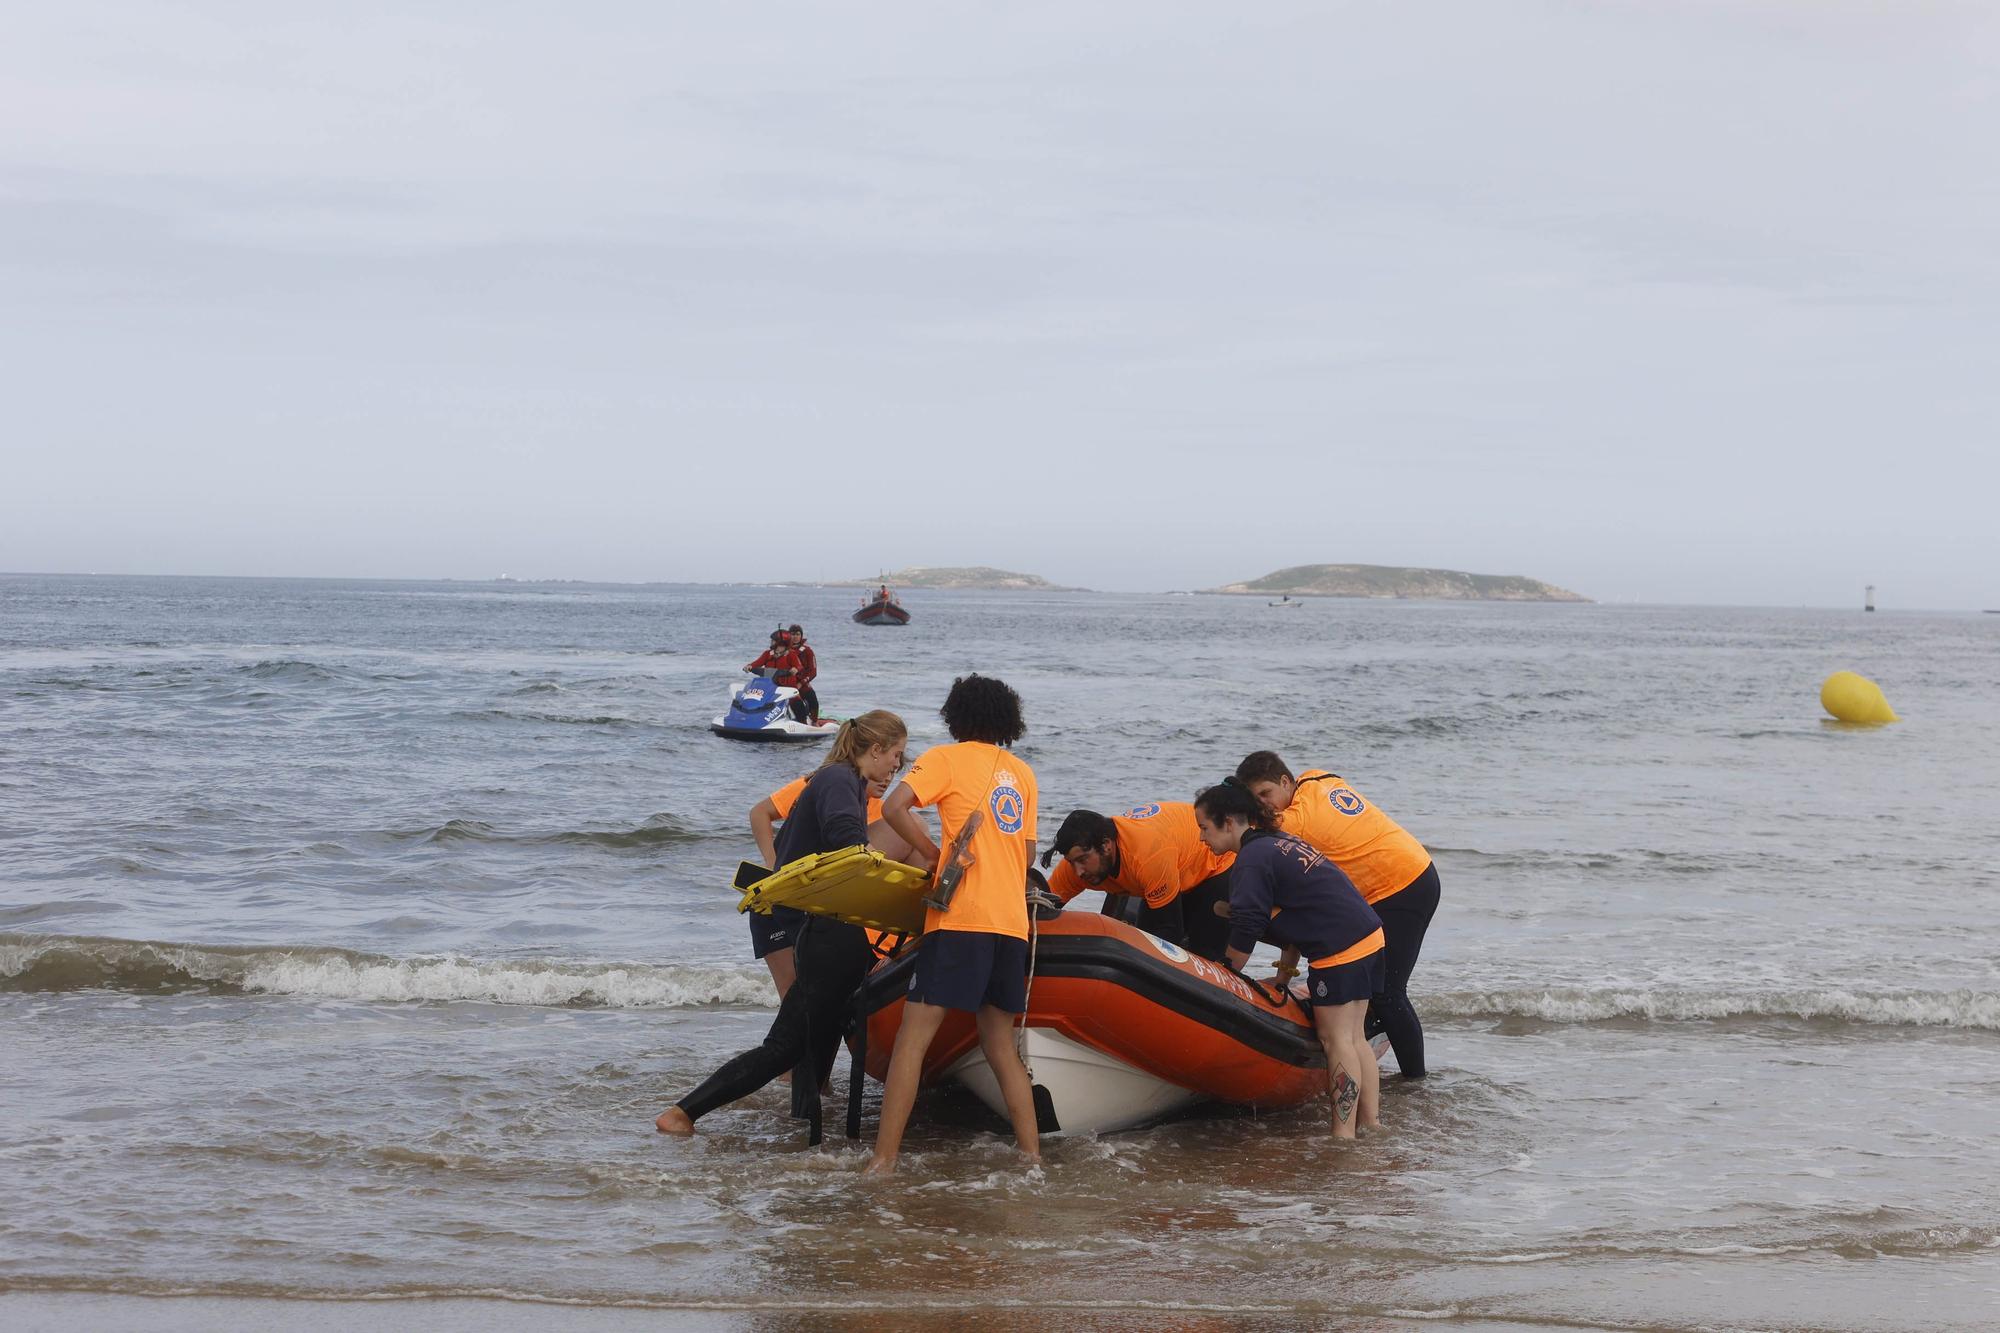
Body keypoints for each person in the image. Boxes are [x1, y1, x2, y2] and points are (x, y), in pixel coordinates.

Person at [657, 711, 909, 1137]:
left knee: (817, 1037)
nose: (896, 768)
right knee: (785, 1046)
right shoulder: (837, 780)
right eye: (896, 757)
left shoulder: (840, 782)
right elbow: (847, 839)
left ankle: (806, 1130)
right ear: (875, 749)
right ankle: (683, 1114)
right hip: (825, 932)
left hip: (832, 929)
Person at [865, 675, 1041, 1175]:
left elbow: (896, 806)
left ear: (955, 716)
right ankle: (1031, 1159)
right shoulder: (1022, 773)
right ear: (1007, 719)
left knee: (912, 1040)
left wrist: (930, 852)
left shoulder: (944, 758)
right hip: (1010, 924)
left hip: (960, 917)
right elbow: (1026, 853)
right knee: (1001, 1045)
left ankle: (883, 1162)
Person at [1193, 778, 1384, 1139]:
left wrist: (1225, 973)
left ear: (1229, 823)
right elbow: (1290, 917)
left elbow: (1249, 925)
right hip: (1369, 935)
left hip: (1339, 948)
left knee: (1336, 1040)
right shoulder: (1278, 842)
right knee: (1355, 1037)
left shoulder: (1251, 859)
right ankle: (1371, 1124)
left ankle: (1343, 1136)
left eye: (1204, 828)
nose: (1202, 838)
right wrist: (1283, 975)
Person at [1234, 751, 1440, 1079]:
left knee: (1388, 992)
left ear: (1286, 782)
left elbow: (1247, 827)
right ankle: (1371, 1041)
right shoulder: (1317, 778)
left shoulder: (1296, 822)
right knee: (1379, 986)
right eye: (1255, 798)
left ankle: (1415, 1082)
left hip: (1398, 888)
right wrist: (1285, 972)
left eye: (1265, 795)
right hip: (1415, 868)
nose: (1264, 805)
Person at [747, 771, 924, 1000]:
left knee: (820, 995)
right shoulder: (827, 785)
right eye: (884, 770)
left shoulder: (882, 814)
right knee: (792, 995)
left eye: (894, 770)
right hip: (777, 902)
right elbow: (759, 812)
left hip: (821, 910)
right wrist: (774, 865)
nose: (887, 778)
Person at [1039, 802, 1234, 960]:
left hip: (1215, 862)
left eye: (1082, 860)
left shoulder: (1146, 856)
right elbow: (1038, 912)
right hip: (1168, 869)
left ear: (1106, 845)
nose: (1078, 872)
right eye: (1072, 863)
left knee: (1202, 953)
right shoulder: (1075, 867)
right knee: (1146, 941)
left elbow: (1169, 930)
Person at [785, 624, 820, 724]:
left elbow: (813, 672)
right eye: (792, 634)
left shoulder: (807, 651)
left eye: (797, 634)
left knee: (812, 697)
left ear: (801, 636)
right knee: (796, 703)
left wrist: (802, 682)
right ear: (788, 636)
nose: (795, 637)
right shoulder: (783, 650)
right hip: (787, 684)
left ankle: (814, 721)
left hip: (802, 683)